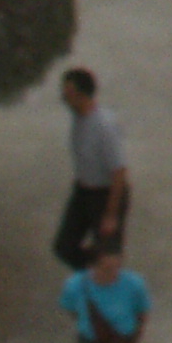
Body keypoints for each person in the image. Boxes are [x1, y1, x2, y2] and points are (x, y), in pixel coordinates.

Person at [55, 67, 130, 269]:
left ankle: (105, 283)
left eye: (68, 93)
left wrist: (111, 215)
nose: (64, 97)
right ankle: (91, 277)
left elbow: (119, 171)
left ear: (82, 95)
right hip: (83, 190)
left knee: (108, 256)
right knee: (64, 247)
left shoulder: (104, 126)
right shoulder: (78, 117)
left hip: (105, 194)